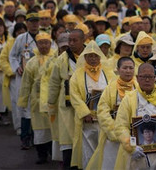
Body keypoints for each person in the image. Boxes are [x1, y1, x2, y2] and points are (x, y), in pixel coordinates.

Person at [113, 63, 156, 169]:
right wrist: (131, 146)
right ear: (137, 78)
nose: (147, 80)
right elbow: (120, 126)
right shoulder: (128, 99)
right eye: (143, 77)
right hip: (136, 156)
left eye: (150, 77)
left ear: (155, 78)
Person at [69, 41, 115, 169]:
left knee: (104, 148)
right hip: (87, 121)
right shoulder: (77, 75)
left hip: (105, 119)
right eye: (90, 56)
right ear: (85, 57)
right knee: (88, 149)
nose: (93, 59)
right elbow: (75, 96)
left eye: (96, 56)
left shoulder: (108, 73)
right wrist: (85, 112)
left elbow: (114, 91)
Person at [86, 57, 137, 170]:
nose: (128, 71)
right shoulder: (109, 88)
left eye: (131, 68)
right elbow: (102, 111)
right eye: (125, 68)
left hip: (133, 135)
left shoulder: (139, 87)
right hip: (113, 138)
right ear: (118, 69)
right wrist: (113, 131)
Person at [47, 29, 86, 169]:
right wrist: (51, 103)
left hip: (86, 105)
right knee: (68, 140)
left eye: (75, 40)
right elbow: (54, 83)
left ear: (83, 40)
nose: (72, 43)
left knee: (86, 140)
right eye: (70, 40)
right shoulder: (62, 59)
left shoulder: (91, 56)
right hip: (66, 106)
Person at [18, 32, 57, 164]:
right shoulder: (32, 63)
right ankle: (42, 154)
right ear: (37, 45)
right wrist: (23, 100)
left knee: (53, 130)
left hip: (53, 102)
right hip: (37, 102)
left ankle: (54, 154)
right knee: (40, 131)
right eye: (41, 43)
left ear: (50, 44)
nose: (44, 46)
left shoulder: (57, 59)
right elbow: (26, 83)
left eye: (46, 43)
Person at [9, 12, 41, 149]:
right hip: (24, 79)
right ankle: (25, 138)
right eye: (31, 21)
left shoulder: (44, 37)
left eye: (36, 21)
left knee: (37, 109)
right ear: (26, 23)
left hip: (39, 79)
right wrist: (17, 68)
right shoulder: (21, 39)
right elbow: (13, 56)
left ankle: (37, 137)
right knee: (25, 109)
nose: (34, 24)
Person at [0, 22, 27, 131]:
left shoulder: (31, 41)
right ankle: (19, 126)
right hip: (15, 78)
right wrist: (13, 71)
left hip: (29, 77)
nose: (20, 33)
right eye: (18, 31)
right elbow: (3, 59)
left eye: (22, 30)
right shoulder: (10, 43)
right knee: (17, 102)